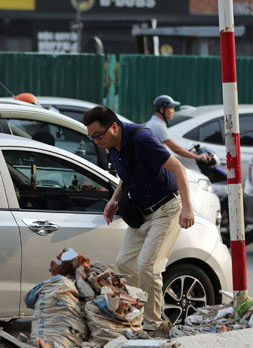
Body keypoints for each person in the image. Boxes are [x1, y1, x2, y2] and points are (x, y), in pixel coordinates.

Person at [82, 105, 194, 331]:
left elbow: (179, 168)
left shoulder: (142, 138)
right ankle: (138, 310)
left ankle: (154, 326)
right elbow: (126, 174)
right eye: (91, 137)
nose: (96, 141)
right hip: (141, 213)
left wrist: (188, 208)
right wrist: (114, 200)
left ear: (114, 126)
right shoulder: (112, 143)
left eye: (98, 135)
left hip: (167, 208)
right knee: (124, 262)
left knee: (148, 265)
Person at [146, 95, 210, 163]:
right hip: (152, 163)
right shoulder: (158, 125)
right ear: (162, 109)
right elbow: (175, 149)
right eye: (171, 108)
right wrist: (198, 157)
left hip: (152, 161)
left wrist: (190, 152)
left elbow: (175, 146)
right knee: (179, 168)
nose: (173, 111)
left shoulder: (155, 122)